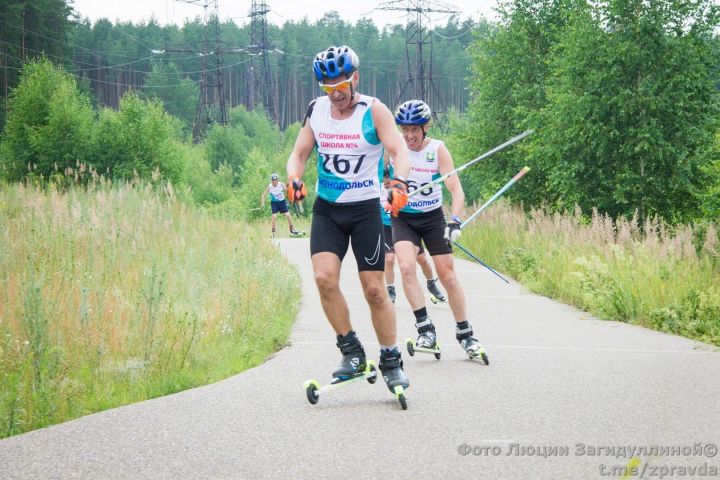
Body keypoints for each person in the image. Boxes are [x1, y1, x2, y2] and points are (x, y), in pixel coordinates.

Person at [285, 45, 412, 393]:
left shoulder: (375, 110)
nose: (336, 94)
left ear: (355, 78)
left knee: (374, 290)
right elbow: (298, 154)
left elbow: (399, 151)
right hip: (328, 209)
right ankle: (351, 351)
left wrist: (399, 182)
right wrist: (294, 178)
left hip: (365, 210)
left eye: (341, 86)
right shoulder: (317, 111)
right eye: (328, 88)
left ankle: (390, 359)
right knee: (324, 279)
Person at [390, 99, 485, 358]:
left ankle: (466, 334)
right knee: (407, 267)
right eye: (404, 129)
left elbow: (456, 190)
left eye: (414, 130)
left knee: (448, 276)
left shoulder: (438, 150)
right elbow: (381, 180)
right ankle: (426, 330)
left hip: (432, 218)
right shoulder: (394, 148)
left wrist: (455, 220)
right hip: (403, 219)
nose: (409, 135)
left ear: (425, 127)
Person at [380, 166, 447, 304]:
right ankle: (391, 290)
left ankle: (431, 284)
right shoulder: (377, 191)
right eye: (384, 177)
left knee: (421, 259)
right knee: (389, 259)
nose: (386, 180)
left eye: (388, 177)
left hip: (403, 227)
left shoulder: (400, 189)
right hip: (386, 228)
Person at [261, 173, 302, 238]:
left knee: (288, 215)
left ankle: (292, 230)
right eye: (273, 180)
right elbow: (263, 195)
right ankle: (273, 231)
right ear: (271, 181)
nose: (274, 181)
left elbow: (287, 191)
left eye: (275, 180)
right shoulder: (270, 186)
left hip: (282, 202)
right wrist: (263, 203)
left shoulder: (281, 184)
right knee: (274, 216)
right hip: (274, 203)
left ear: (277, 180)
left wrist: (289, 191)